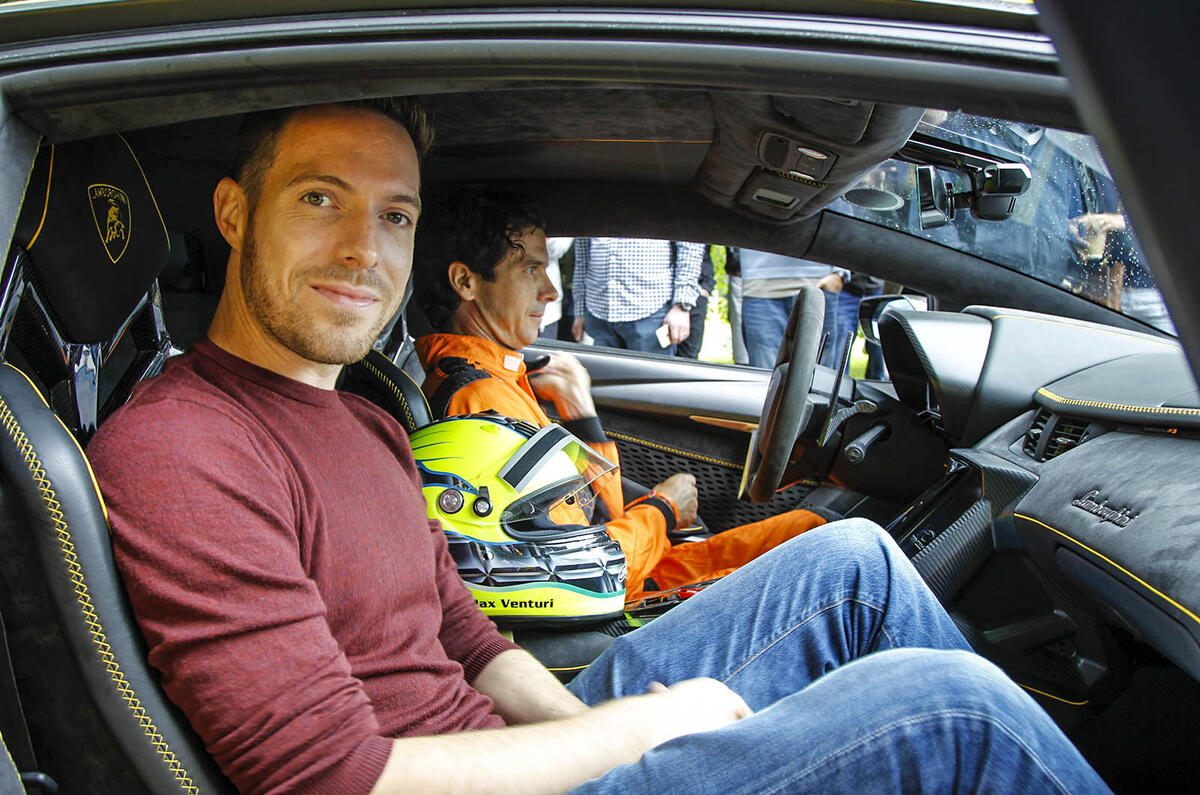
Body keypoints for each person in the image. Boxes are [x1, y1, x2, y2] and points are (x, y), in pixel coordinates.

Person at [85, 99, 1110, 795]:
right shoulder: (182, 450)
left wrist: (578, 722)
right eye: (320, 200)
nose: (363, 248)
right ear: (234, 212)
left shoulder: (359, 417)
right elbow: (331, 776)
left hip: (507, 745)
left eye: (393, 215)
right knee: (952, 711)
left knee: (850, 566)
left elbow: (470, 640)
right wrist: (634, 733)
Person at [411, 186, 830, 602]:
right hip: (625, 601)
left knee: (816, 530)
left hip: (637, 564)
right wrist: (663, 509)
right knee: (830, 555)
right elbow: (579, 569)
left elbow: (592, 509)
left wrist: (581, 413)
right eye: (530, 271)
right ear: (466, 281)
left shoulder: (498, 378)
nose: (551, 292)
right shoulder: (480, 404)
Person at [570, 237, 705, 354]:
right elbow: (582, 257)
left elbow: (690, 247)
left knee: (651, 381)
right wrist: (580, 312)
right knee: (602, 381)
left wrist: (681, 306)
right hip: (597, 314)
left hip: (651, 313)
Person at [737, 248, 847, 370]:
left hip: (819, 282)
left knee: (820, 380)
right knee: (766, 379)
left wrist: (840, 273)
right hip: (759, 283)